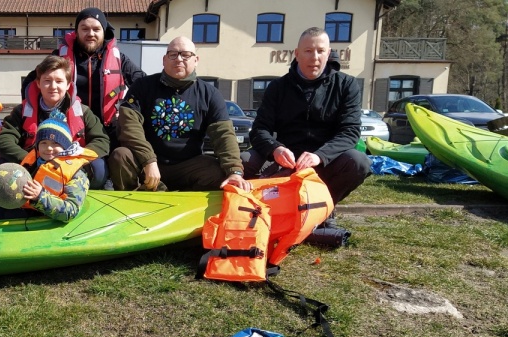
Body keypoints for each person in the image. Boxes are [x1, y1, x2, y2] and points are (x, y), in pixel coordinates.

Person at [242, 27, 370, 206]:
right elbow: (259, 130)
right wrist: (275, 149)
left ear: (328, 53)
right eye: (308, 51)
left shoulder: (347, 85)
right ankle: (266, 204)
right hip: (286, 159)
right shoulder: (277, 87)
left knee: (358, 162)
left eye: (320, 51)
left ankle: (323, 206)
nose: (315, 57)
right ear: (297, 54)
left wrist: (320, 156)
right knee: (244, 161)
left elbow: (349, 131)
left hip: (326, 160)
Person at [108, 36, 246, 192]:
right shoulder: (142, 86)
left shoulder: (210, 94)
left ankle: (184, 203)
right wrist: (148, 160)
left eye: (186, 54)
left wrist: (234, 171)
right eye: (173, 54)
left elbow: (224, 135)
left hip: (188, 166)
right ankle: (133, 202)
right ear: (164, 59)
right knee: (121, 156)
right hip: (148, 164)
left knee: (216, 171)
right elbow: (129, 127)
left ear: (196, 60)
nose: (179, 59)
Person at [23, 7, 145, 149]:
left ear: (104, 32)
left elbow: (142, 84)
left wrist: (126, 106)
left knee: (104, 167)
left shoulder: (119, 59)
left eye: (96, 29)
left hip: (109, 129)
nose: (90, 34)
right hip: (69, 129)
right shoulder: (60, 57)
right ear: (77, 31)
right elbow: (31, 83)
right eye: (85, 29)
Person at [0, 55, 110, 189]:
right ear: (38, 83)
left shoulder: (83, 111)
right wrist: (30, 159)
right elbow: (2, 140)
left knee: (99, 168)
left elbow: (102, 141)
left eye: (59, 81)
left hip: (69, 168)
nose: (53, 86)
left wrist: (73, 160)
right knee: (1, 164)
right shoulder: (21, 111)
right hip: (32, 167)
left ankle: (78, 196)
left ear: (68, 85)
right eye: (47, 80)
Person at [18, 112, 97, 222]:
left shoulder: (77, 175)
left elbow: (71, 211)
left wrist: (40, 197)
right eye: (43, 143)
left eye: (55, 143)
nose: (49, 148)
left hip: (48, 221)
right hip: (22, 212)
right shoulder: (33, 161)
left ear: (65, 146)